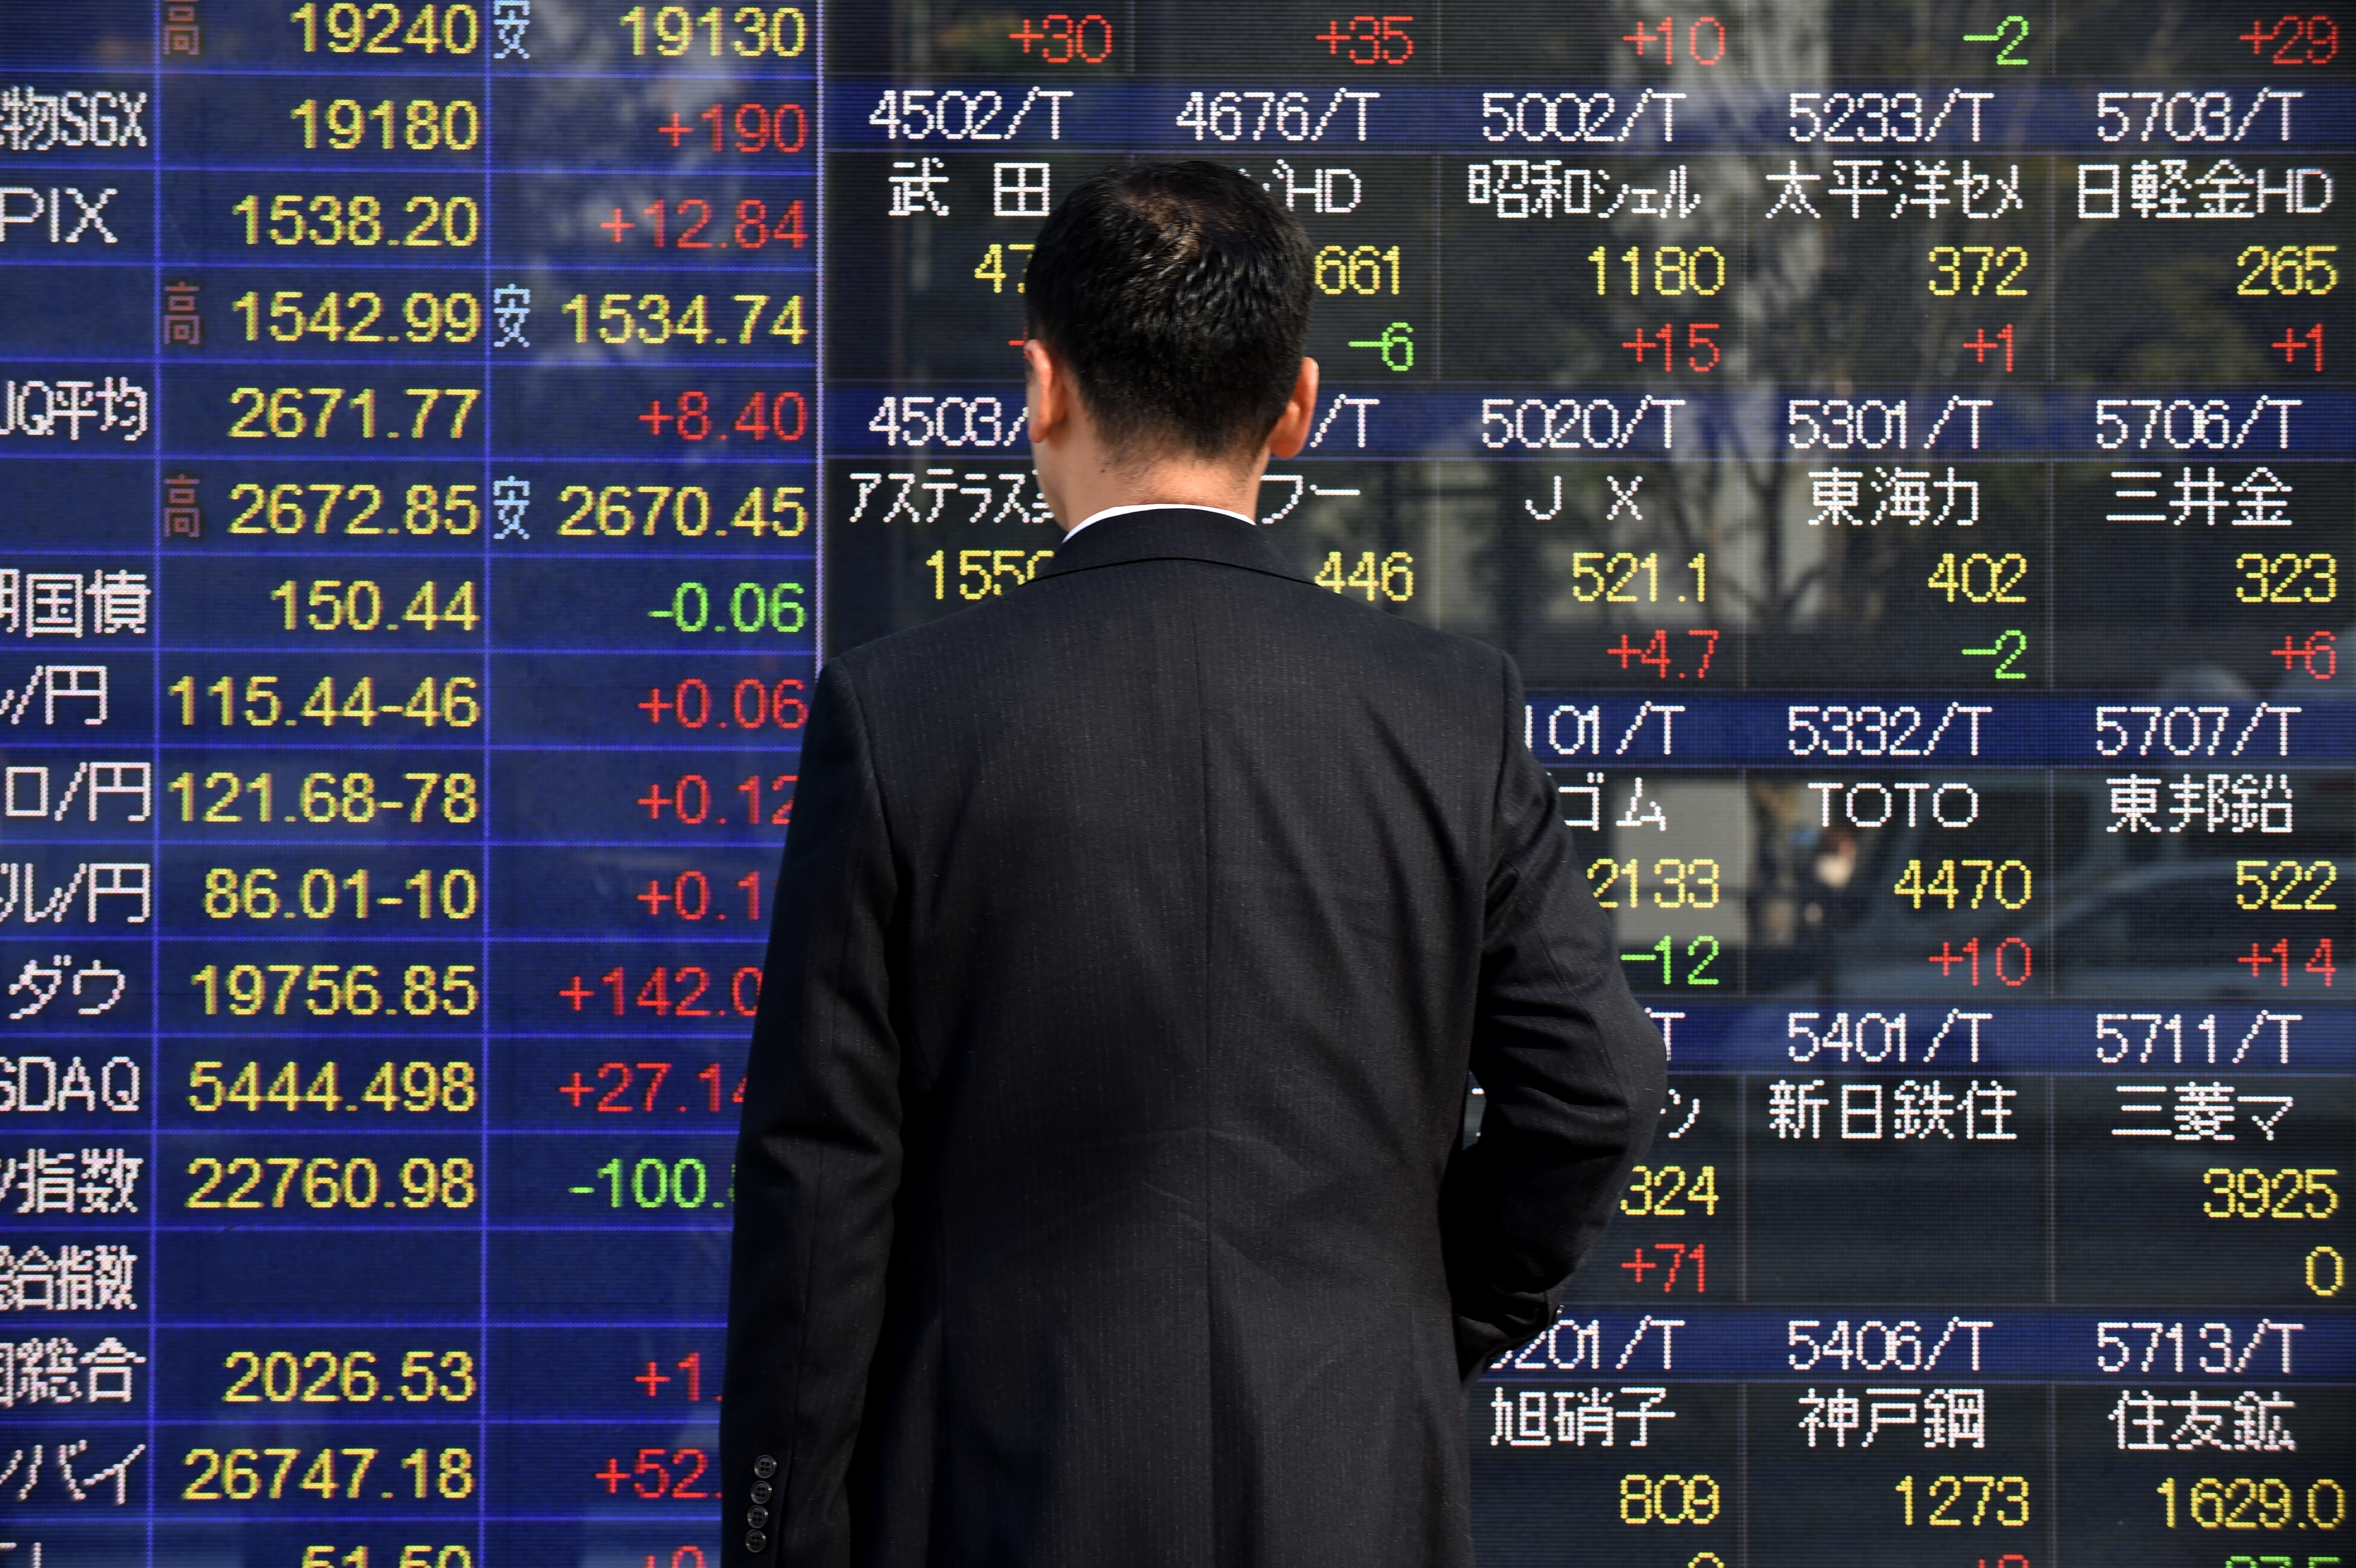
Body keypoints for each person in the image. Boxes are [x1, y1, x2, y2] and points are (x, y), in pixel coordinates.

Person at [720, 160, 1665, 1568]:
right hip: (1355, 1488)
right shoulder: (1452, 710)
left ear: (1041, 386)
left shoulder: (899, 716)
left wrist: (776, 1537)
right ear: (1298, 403)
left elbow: (823, 1188)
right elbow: (1595, 1092)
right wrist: (1404, 1318)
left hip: (997, 1497)